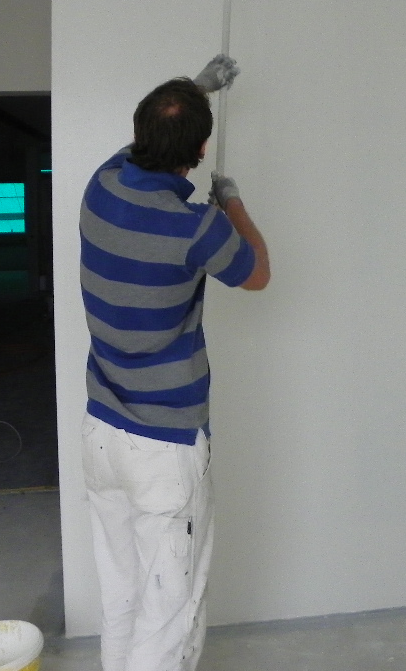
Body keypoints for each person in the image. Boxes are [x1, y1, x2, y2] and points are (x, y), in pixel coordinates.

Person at [79, 55, 269, 671]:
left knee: (122, 598)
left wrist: (197, 86)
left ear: (140, 135)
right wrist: (232, 203)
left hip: (101, 434)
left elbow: (146, 143)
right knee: (167, 616)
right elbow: (257, 273)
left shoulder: (102, 185)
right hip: (163, 449)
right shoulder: (198, 228)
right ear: (201, 150)